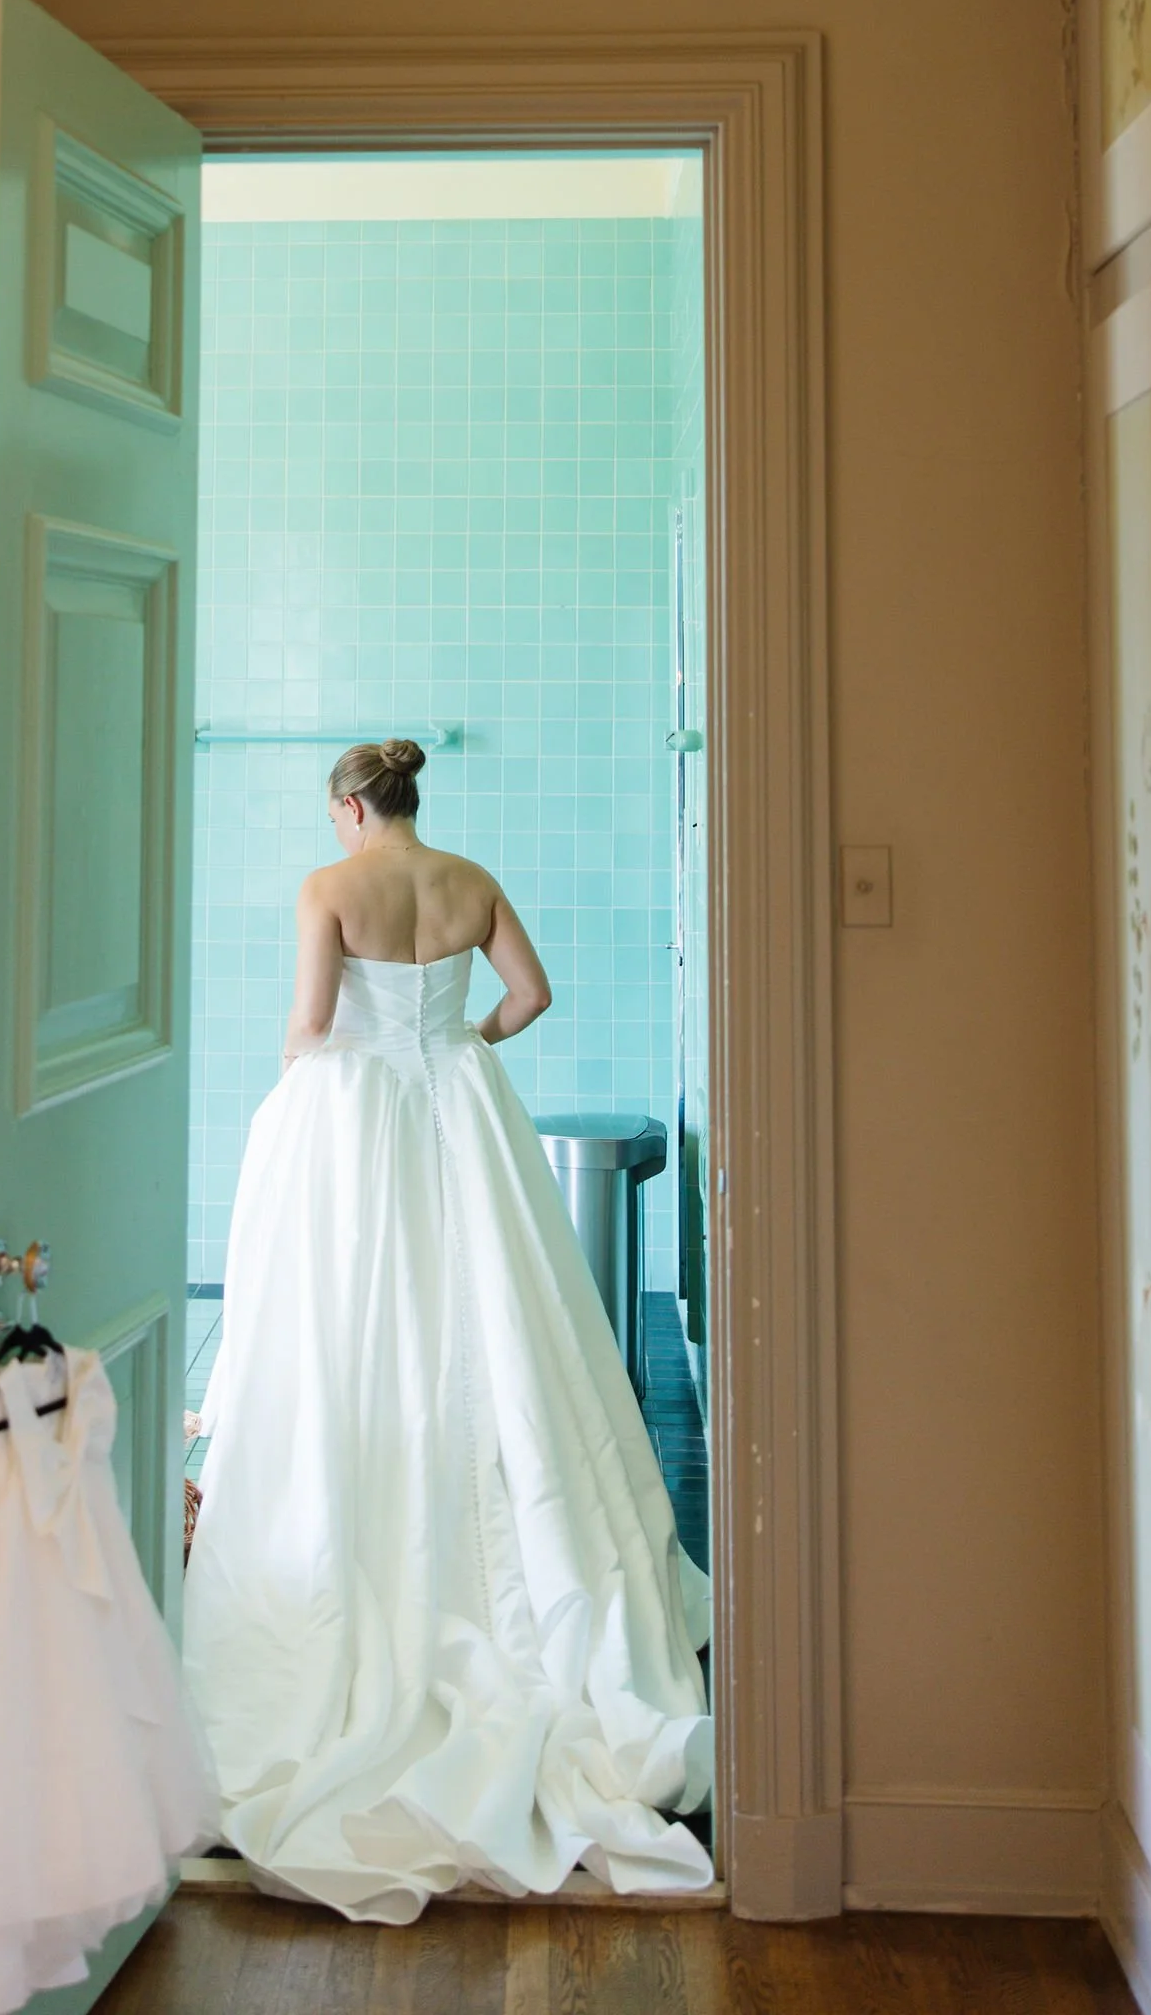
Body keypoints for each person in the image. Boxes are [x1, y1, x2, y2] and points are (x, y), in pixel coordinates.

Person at [180, 738, 712, 1922]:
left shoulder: (329, 887)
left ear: (347, 808)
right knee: (498, 1316)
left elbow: (310, 1024)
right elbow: (530, 996)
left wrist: (295, 1088)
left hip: (357, 1116)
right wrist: (464, 1045)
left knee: (359, 1310)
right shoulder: (470, 882)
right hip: (461, 1104)